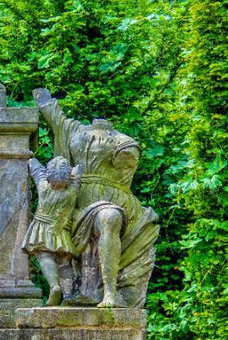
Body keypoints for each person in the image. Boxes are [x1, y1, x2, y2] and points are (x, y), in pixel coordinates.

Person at [33, 88, 159, 308]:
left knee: (110, 217)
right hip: (75, 203)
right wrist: (43, 98)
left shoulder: (123, 141)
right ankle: (68, 290)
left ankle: (109, 293)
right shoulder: (74, 130)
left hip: (112, 201)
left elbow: (127, 159)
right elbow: (55, 117)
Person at [22, 156, 81, 306]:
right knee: (64, 261)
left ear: (49, 174)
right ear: (68, 175)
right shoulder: (72, 191)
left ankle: (55, 286)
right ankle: (68, 295)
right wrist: (74, 170)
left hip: (42, 228)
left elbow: (35, 168)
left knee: (44, 256)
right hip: (61, 230)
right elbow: (78, 173)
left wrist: (30, 158)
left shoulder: (43, 187)